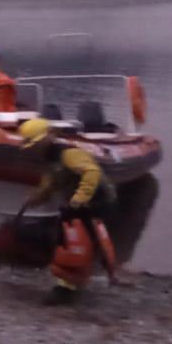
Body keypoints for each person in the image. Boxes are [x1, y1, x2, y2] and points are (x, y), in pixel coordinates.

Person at [19, 118, 119, 305]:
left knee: (76, 241)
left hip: (96, 201)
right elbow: (52, 181)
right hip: (79, 204)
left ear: (46, 139)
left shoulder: (68, 154)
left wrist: (79, 199)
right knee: (67, 238)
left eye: (35, 144)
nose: (34, 149)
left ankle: (72, 284)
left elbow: (92, 173)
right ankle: (70, 281)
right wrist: (38, 197)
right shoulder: (53, 158)